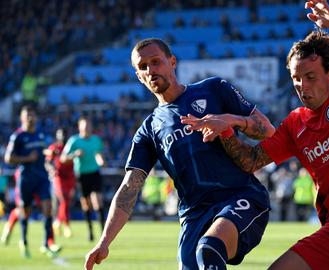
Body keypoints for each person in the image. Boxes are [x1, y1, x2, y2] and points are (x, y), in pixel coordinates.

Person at [181, 1, 329, 269]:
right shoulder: (295, 123)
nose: (302, 86)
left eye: (310, 76)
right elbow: (251, 161)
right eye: (296, 79)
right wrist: (228, 131)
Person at [84, 38, 275, 270]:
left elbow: (266, 129)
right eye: (143, 67)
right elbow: (129, 188)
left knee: (209, 247)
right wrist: (104, 241)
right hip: (194, 216)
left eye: (156, 62)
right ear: (138, 77)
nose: (150, 70)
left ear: (172, 62)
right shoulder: (149, 131)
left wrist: (229, 120)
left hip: (240, 196)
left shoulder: (213, 89)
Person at [3, 105, 61, 258]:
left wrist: (49, 153)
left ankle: (46, 244)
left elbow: (41, 153)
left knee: (48, 208)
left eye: (32, 115)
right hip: (26, 178)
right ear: (22, 118)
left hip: (41, 177)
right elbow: (8, 158)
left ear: (36, 117)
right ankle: (24, 241)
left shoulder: (40, 134)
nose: (30, 118)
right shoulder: (18, 136)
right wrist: (27, 159)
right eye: (27, 115)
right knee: (25, 211)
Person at [61, 117, 106, 242]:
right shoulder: (74, 141)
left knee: (98, 201)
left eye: (88, 126)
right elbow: (63, 158)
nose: (86, 128)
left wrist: (101, 161)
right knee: (86, 204)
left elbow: (99, 154)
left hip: (94, 173)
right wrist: (75, 154)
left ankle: (104, 232)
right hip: (81, 175)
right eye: (84, 126)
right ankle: (90, 231)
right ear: (79, 127)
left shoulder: (96, 140)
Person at [45, 128, 76, 238]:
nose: (63, 137)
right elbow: (48, 162)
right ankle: (65, 224)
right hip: (58, 177)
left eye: (64, 134)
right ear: (57, 136)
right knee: (63, 200)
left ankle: (58, 222)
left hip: (70, 178)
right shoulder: (54, 148)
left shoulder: (71, 147)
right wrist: (51, 169)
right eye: (60, 135)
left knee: (67, 201)